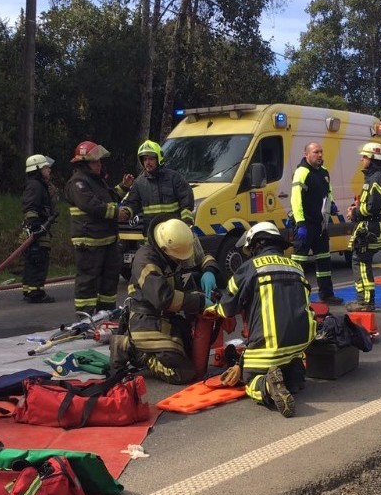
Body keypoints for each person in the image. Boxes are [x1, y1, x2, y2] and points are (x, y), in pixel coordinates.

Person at [205, 222, 315, 417]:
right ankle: (292, 379)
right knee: (291, 377)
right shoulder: (296, 267)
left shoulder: (250, 267)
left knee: (249, 379)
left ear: (256, 244)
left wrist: (213, 308)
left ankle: (265, 385)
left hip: (268, 347)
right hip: (299, 347)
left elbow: (227, 307)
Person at [110, 217, 218, 385]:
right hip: (146, 319)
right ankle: (133, 349)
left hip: (168, 317)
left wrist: (209, 270)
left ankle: (151, 349)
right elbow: (163, 298)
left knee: (192, 355)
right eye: (178, 257)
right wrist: (199, 301)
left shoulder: (177, 239)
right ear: (164, 249)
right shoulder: (145, 259)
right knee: (184, 373)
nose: (181, 260)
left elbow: (202, 256)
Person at [66, 141, 132, 315]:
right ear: (84, 163)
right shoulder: (78, 182)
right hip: (89, 241)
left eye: (100, 161)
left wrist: (123, 187)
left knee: (109, 279)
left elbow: (109, 198)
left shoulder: (97, 181)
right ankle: (85, 317)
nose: (99, 164)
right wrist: (116, 213)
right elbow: (92, 205)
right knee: (88, 281)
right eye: (95, 162)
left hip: (106, 240)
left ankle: (106, 314)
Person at [290, 142, 342, 304]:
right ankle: (294, 296)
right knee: (299, 262)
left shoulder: (324, 172)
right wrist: (300, 223)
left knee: (324, 261)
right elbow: (295, 199)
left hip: (320, 226)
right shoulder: (302, 172)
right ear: (307, 155)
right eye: (315, 152)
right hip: (305, 226)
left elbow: (328, 192)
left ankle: (327, 294)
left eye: (321, 152)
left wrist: (332, 205)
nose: (319, 155)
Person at [345, 142, 381, 312]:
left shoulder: (376, 178)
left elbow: (374, 207)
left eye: (364, 157)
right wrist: (356, 209)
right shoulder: (373, 177)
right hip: (369, 225)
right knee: (362, 262)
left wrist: (355, 213)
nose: (361, 159)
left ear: (372, 158)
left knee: (361, 262)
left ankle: (364, 302)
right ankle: (366, 301)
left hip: (369, 227)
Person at [119, 140, 192, 231]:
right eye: (145, 159)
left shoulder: (174, 178)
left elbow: (186, 201)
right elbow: (132, 202)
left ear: (159, 159)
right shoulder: (139, 183)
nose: (147, 162)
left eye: (151, 159)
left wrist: (186, 222)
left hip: (174, 233)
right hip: (152, 235)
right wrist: (126, 211)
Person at [21, 154, 57, 303]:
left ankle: (28, 289)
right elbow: (30, 206)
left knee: (33, 260)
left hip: (38, 229)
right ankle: (36, 292)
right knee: (38, 260)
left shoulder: (38, 185)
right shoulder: (36, 185)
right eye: (46, 167)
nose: (49, 170)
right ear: (37, 169)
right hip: (37, 230)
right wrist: (35, 225)